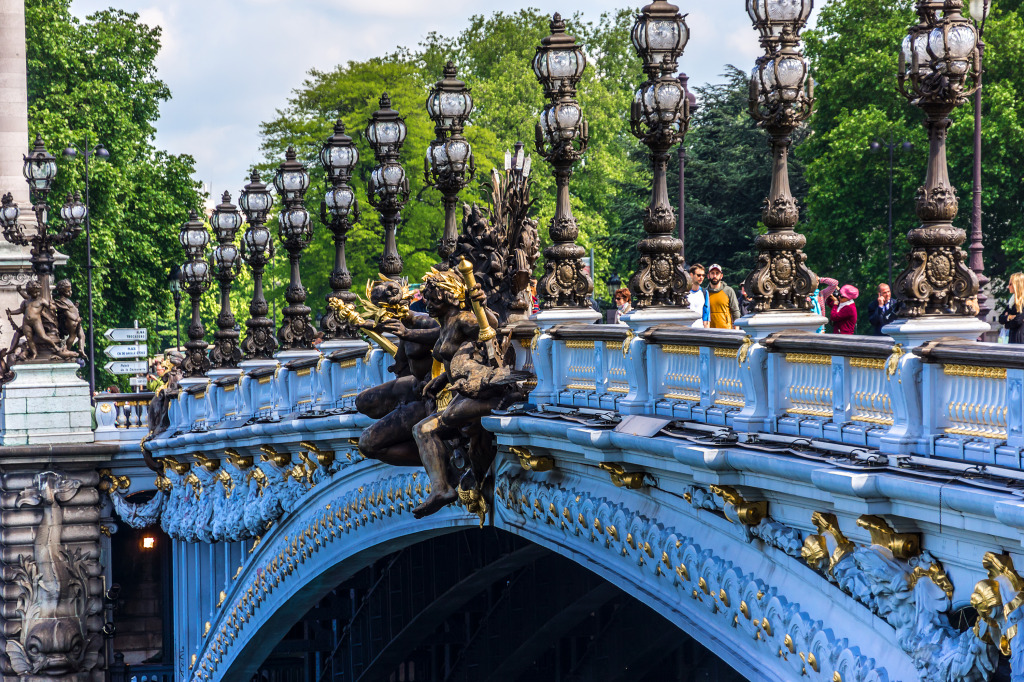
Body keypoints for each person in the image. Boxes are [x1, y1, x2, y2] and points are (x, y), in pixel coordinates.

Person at [706, 264, 740, 329]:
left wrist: (737, 330)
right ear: (708, 276)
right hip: (709, 331)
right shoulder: (705, 292)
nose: (714, 276)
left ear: (721, 276)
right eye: (712, 273)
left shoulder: (729, 291)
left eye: (717, 273)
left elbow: (735, 311)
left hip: (726, 330)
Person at [999, 272, 1024, 344]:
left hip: (1020, 338)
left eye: (1010, 284)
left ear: (1017, 285)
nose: (1008, 286)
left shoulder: (1022, 302)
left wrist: (1007, 324)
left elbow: (1017, 321)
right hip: (1013, 337)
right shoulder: (1011, 302)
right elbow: (1000, 318)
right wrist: (1009, 317)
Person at [687, 264, 710, 328]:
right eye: (698, 275)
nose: (701, 277)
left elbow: (706, 315)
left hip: (700, 330)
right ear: (691, 275)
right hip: (686, 330)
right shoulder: (684, 293)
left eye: (703, 275)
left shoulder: (704, 292)